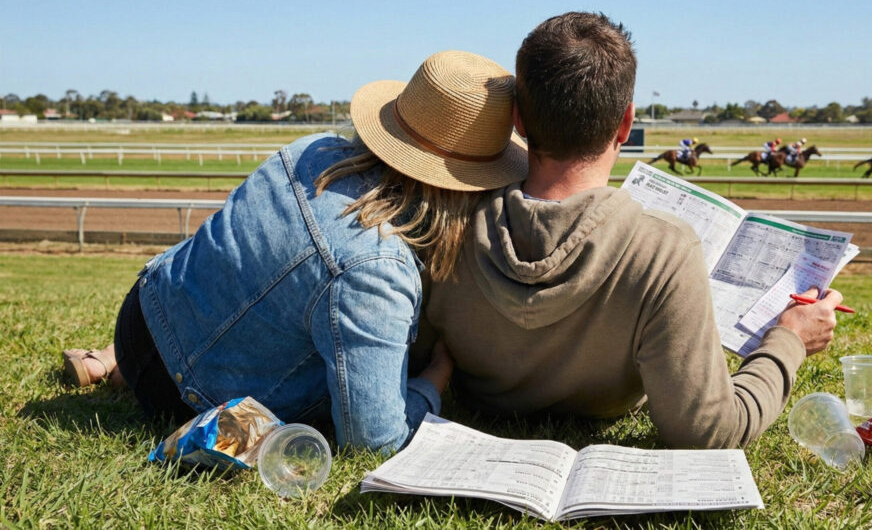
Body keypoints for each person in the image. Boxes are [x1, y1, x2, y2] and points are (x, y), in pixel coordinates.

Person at [61, 50, 528, 453]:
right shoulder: (376, 266)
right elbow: (374, 438)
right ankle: (130, 370)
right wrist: (435, 381)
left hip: (143, 312)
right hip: (184, 395)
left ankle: (113, 360)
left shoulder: (315, 150)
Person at [418, 12, 845, 449]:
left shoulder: (445, 224)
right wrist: (788, 341)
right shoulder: (665, 249)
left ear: (518, 121)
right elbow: (709, 431)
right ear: (626, 123)